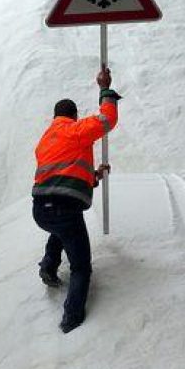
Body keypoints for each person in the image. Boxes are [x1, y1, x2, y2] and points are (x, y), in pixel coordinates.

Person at [32, 67, 121, 333]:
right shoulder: (76, 130)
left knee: (61, 230)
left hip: (40, 209)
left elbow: (63, 174)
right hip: (65, 208)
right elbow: (107, 120)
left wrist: (93, 176)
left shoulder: (45, 140)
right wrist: (106, 90)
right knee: (81, 266)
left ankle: (48, 266)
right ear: (73, 116)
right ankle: (72, 319)